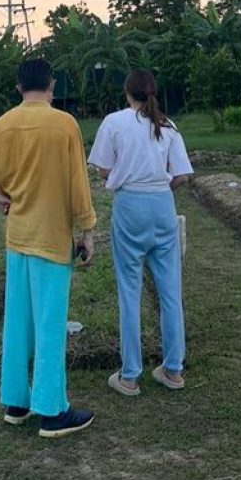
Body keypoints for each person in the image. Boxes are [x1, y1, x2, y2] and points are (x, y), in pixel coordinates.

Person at [0, 58, 97, 438]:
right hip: (51, 239)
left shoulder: (3, 125)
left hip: (17, 238)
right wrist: (87, 231)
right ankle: (53, 411)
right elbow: (78, 183)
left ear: (18, 87)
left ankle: (16, 402)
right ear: (51, 86)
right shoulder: (64, 123)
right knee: (50, 324)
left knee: (17, 322)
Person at [88, 69, 193, 397]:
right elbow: (182, 176)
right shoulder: (168, 126)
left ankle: (130, 375)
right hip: (162, 204)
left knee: (129, 290)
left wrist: (124, 174)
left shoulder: (114, 122)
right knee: (170, 290)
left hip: (130, 205)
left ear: (127, 92)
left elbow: (103, 168)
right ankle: (173, 370)